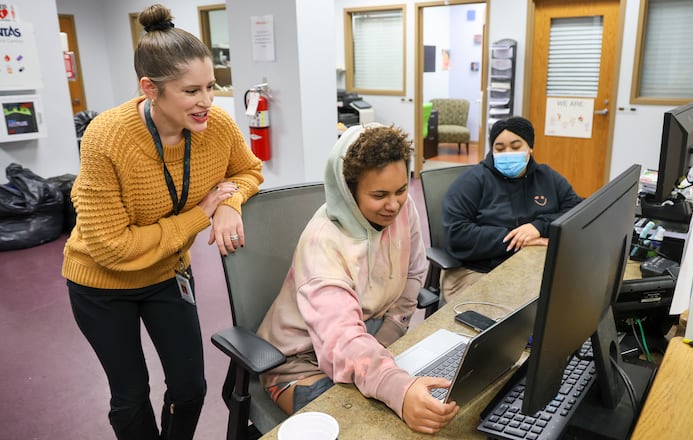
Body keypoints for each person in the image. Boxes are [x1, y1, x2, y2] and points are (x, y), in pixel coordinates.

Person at [62, 5, 263, 439]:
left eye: (211, 86)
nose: (207, 101)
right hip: (101, 285)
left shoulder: (217, 126)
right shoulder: (106, 137)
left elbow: (248, 171)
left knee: (190, 388)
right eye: (191, 91)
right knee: (131, 397)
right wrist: (200, 213)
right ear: (150, 88)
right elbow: (110, 246)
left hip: (168, 272)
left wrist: (229, 204)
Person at [256, 123, 459, 434]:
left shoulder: (402, 211)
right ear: (349, 191)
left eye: (401, 190)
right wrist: (397, 388)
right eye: (379, 195)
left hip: (367, 339)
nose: (394, 205)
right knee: (373, 428)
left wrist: (389, 336)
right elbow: (341, 339)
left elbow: (413, 274)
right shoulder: (322, 242)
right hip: (299, 364)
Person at [441, 116, 583, 300]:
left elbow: (577, 210)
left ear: (530, 148)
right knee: (522, 314)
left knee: (575, 299)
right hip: (478, 271)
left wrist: (538, 227)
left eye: (516, 147)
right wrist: (517, 239)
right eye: (499, 148)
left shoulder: (547, 177)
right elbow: (456, 234)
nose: (507, 153)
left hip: (534, 266)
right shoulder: (472, 181)